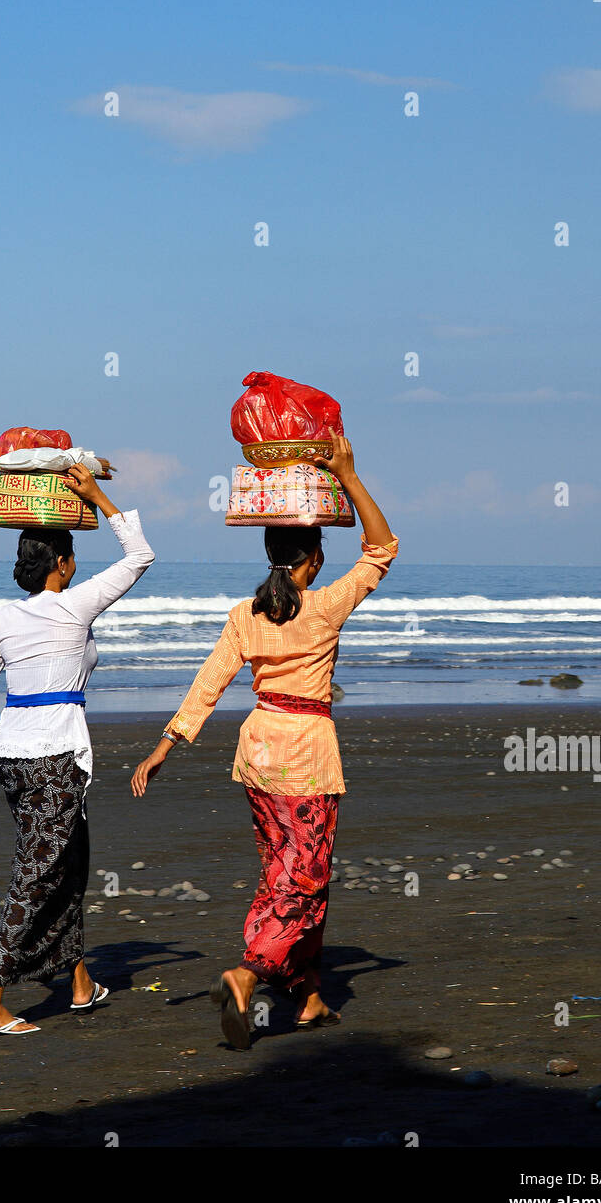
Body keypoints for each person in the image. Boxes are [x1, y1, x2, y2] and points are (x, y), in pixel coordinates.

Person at [132, 430, 397, 1048]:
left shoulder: (244, 615)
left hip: (256, 755)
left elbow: (210, 682)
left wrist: (167, 744)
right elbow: (383, 547)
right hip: (305, 755)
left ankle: (306, 1000)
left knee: (284, 870)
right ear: (314, 560)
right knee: (303, 878)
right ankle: (248, 976)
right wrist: (350, 475)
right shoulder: (326, 606)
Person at [0, 464, 155, 1035]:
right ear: (64, 564)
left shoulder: (4, 617)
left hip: (13, 759)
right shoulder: (77, 604)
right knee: (38, 873)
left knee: (69, 865)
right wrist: (97, 494)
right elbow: (141, 555)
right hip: (55, 759)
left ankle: (78, 983)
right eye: (73, 559)